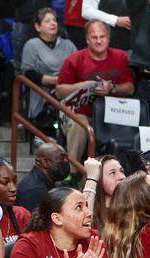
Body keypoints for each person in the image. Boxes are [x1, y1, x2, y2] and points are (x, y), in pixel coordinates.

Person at [54, 21, 135, 164]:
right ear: (87, 39)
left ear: (109, 38)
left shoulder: (120, 57)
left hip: (111, 113)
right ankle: (72, 172)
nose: (98, 41)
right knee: (80, 125)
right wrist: (81, 86)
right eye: (94, 37)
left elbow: (130, 87)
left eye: (102, 37)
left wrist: (112, 88)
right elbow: (59, 91)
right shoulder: (74, 59)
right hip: (80, 112)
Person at [18, 10, 76, 127]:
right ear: (38, 27)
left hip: (69, 89)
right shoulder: (32, 45)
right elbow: (28, 73)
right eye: (47, 21)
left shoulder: (68, 44)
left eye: (54, 20)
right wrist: (56, 80)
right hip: (44, 91)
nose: (53, 23)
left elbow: (80, 66)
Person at [17, 143, 70, 211]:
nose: (66, 161)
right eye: (61, 158)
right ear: (44, 162)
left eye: (66, 158)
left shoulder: (49, 182)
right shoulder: (35, 190)